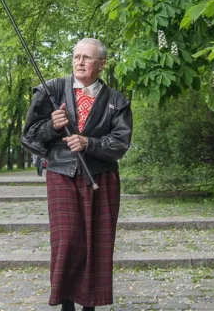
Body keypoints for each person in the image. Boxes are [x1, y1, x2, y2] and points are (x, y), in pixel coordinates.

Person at [21, 38, 132, 311]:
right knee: (68, 240)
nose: (80, 62)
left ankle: (90, 305)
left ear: (101, 64)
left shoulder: (117, 101)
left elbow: (120, 143)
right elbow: (28, 136)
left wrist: (89, 143)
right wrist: (51, 126)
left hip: (102, 177)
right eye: (76, 56)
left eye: (87, 57)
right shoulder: (51, 90)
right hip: (61, 173)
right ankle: (66, 305)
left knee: (96, 241)